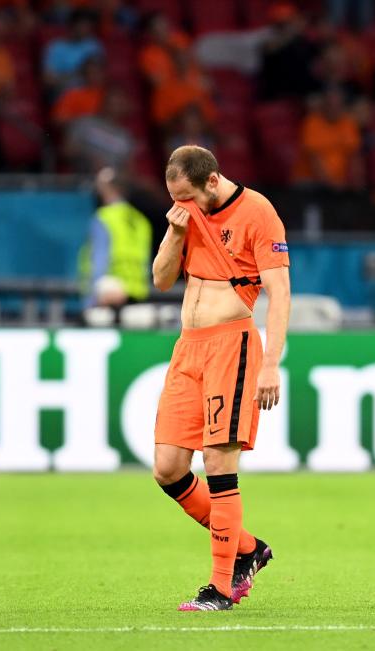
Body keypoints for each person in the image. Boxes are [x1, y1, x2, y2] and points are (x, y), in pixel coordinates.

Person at [152, 145, 290, 611]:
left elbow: (280, 292)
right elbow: (161, 280)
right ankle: (247, 548)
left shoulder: (258, 213)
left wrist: (271, 363)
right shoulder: (186, 216)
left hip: (232, 345)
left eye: (187, 196)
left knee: (218, 463)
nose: (182, 205)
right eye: (175, 198)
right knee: (168, 469)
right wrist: (174, 233)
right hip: (188, 348)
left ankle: (220, 587)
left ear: (212, 181)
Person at [80, 167, 152, 308]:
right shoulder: (141, 221)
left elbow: (99, 260)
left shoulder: (104, 218)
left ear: (107, 189)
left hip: (108, 295)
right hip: (137, 295)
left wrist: (91, 301)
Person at [292, 85, 363, 190]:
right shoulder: (311, 123)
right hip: (310, 183)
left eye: (337, 105)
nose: (333, 108)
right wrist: (332, 186)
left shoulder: (349, 123)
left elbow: (355, 157)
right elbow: (314, 160)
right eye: (330, 104)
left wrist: (359, 186)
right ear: (323, 104)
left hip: (339, 184)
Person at [257, 2, 319, 101]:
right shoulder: (270, 36)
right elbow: (267, 49)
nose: (300, 23)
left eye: (302, 21)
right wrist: (291, 31)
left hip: (301, 92)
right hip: (277, 91)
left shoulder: (305, 42)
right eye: (295, 20)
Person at [63, 86, 133, 173]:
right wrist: (89, 157)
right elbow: (67, 151)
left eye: (119, 104)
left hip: (111, 181)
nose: (115, 107)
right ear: (103, 102)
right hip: (83, 179)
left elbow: (129, 170)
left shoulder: (125, 136)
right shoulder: (85, 122)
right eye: (112, 103)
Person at [42, 8, 102, 96]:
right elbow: (48, 79)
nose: (86, 29)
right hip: (63, 92)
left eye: (89, 26)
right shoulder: (56, 47)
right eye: (83, 25)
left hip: (90, 91)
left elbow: (99, 75)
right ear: (72, 25)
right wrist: (74, 76)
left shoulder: (94, 46)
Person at [51, 56, 104, 127]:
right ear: (84, 75)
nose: (94, 76)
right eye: (90, 73)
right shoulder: (73, 94)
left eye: (97, 72)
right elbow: (58, 119)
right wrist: (82, 120)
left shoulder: (109, 94)